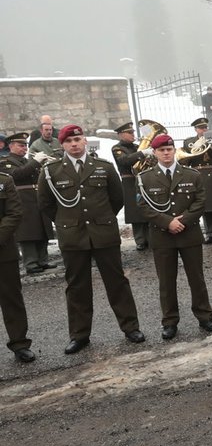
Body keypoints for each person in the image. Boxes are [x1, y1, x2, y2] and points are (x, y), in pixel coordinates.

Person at [38, 125, 144, 353]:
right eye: (68, 141)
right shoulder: (51, 171)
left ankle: (130, 327)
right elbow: (46, 204)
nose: (74, 144)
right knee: (77, 287)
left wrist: (102, 218)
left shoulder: (103, 167)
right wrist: (66, 221)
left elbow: (117, 199)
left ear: (85, 140)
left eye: (77, 139)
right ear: (62, 145)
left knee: (117, 282)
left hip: (103, 233)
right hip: (73, 237)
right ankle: (79, 335)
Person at [137, 133, 212, 340]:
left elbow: (200, 201)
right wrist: (168, 222)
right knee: (166, 282)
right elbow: (143, 206)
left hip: (189, 233)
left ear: (174, 151)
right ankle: (170, 321)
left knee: (197, 278)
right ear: (155, 153)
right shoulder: (144, 178)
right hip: (162, 236)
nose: (166, 153)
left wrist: (183, 221)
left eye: (169, 149)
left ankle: (204, 316)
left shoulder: (192, 174)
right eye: (162, 150)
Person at [0, 132, 57, 274]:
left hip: (36, 197)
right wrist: (35, 162)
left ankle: (43, 260)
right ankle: (31, 263)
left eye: (25, 145)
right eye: (21, 145)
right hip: (22, 199)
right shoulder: (5, 161)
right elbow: (17, 175)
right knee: (27, 232)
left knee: (42, 229)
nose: (24, 148)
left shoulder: (27, 161)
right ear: (11, 146)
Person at [0, 170, 35, 362]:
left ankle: (19, 343)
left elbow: (14, 213)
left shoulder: (4, 180)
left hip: (3, 251)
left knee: (11, 299)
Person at [180, 118, 212, 244]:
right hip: (198, 175)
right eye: (201, 128)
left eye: (205, 127)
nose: (204, 130)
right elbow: (185, 162)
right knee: (204, 205)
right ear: (196, 129)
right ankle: (209, 233)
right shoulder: (189, 142)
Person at [109, 122, 151, 250]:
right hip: (129, 181)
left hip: (142, 179)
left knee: (146, 207)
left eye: (133, 132)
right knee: (134, 210)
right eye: (130, 133)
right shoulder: (117, 148)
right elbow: (124, 160)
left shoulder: (137, 147)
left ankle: (150, 238)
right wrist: (142, 154)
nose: (133, 135)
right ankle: (140, 240)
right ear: (121, 135)